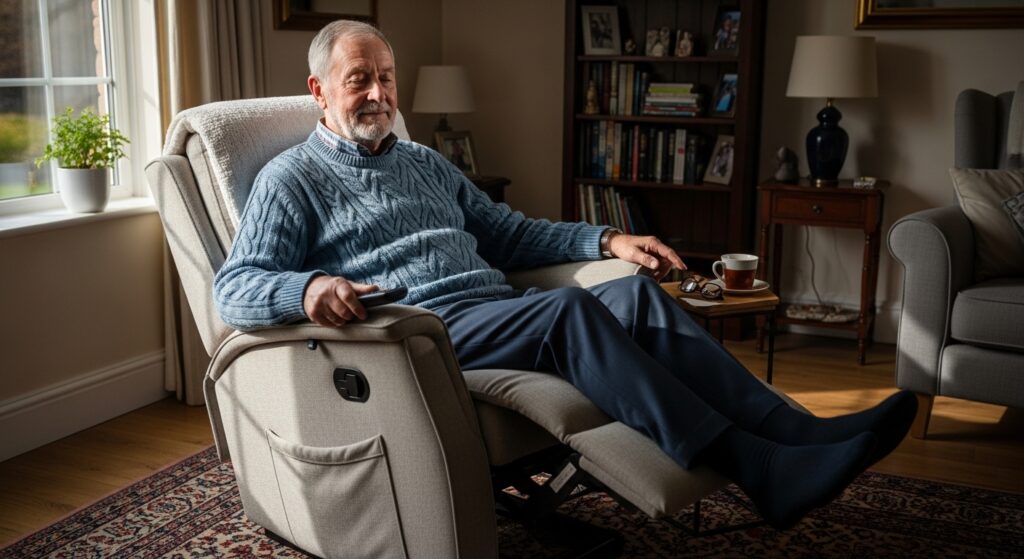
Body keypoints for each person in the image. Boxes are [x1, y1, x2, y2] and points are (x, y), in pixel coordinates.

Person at [213, 20, 918, 531]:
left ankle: (796, 432)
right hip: (420, 333)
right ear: (318, 91)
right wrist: (306, 288)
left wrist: (609, 235)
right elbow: (235, 285)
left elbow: (511, 232)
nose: (376, 92)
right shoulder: (292, 180)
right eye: (357, 79)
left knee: (632, 293)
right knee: (570, 311)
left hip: (495, 309)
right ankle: (757, 465)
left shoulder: (424, 162)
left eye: (385, 77)